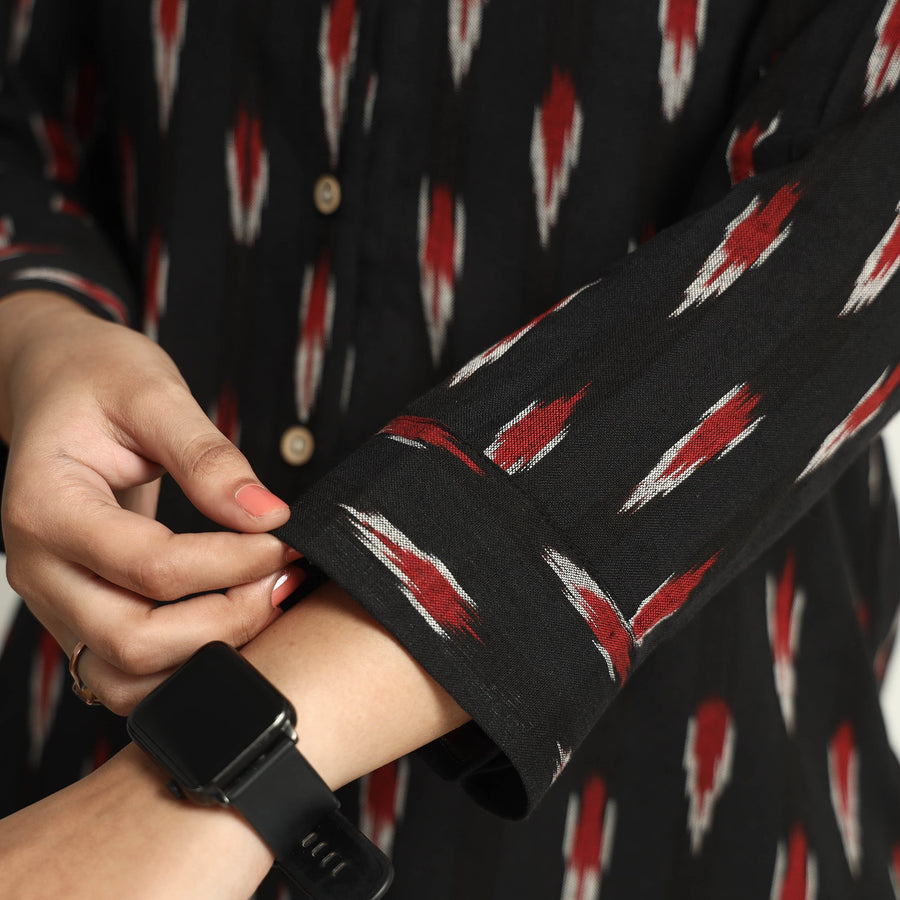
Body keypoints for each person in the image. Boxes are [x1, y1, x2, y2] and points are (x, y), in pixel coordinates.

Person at [1, 0, 900, 896]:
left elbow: (860, 208)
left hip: (665, 799)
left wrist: (216, 769)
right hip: (84, 761)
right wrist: (39, 333)